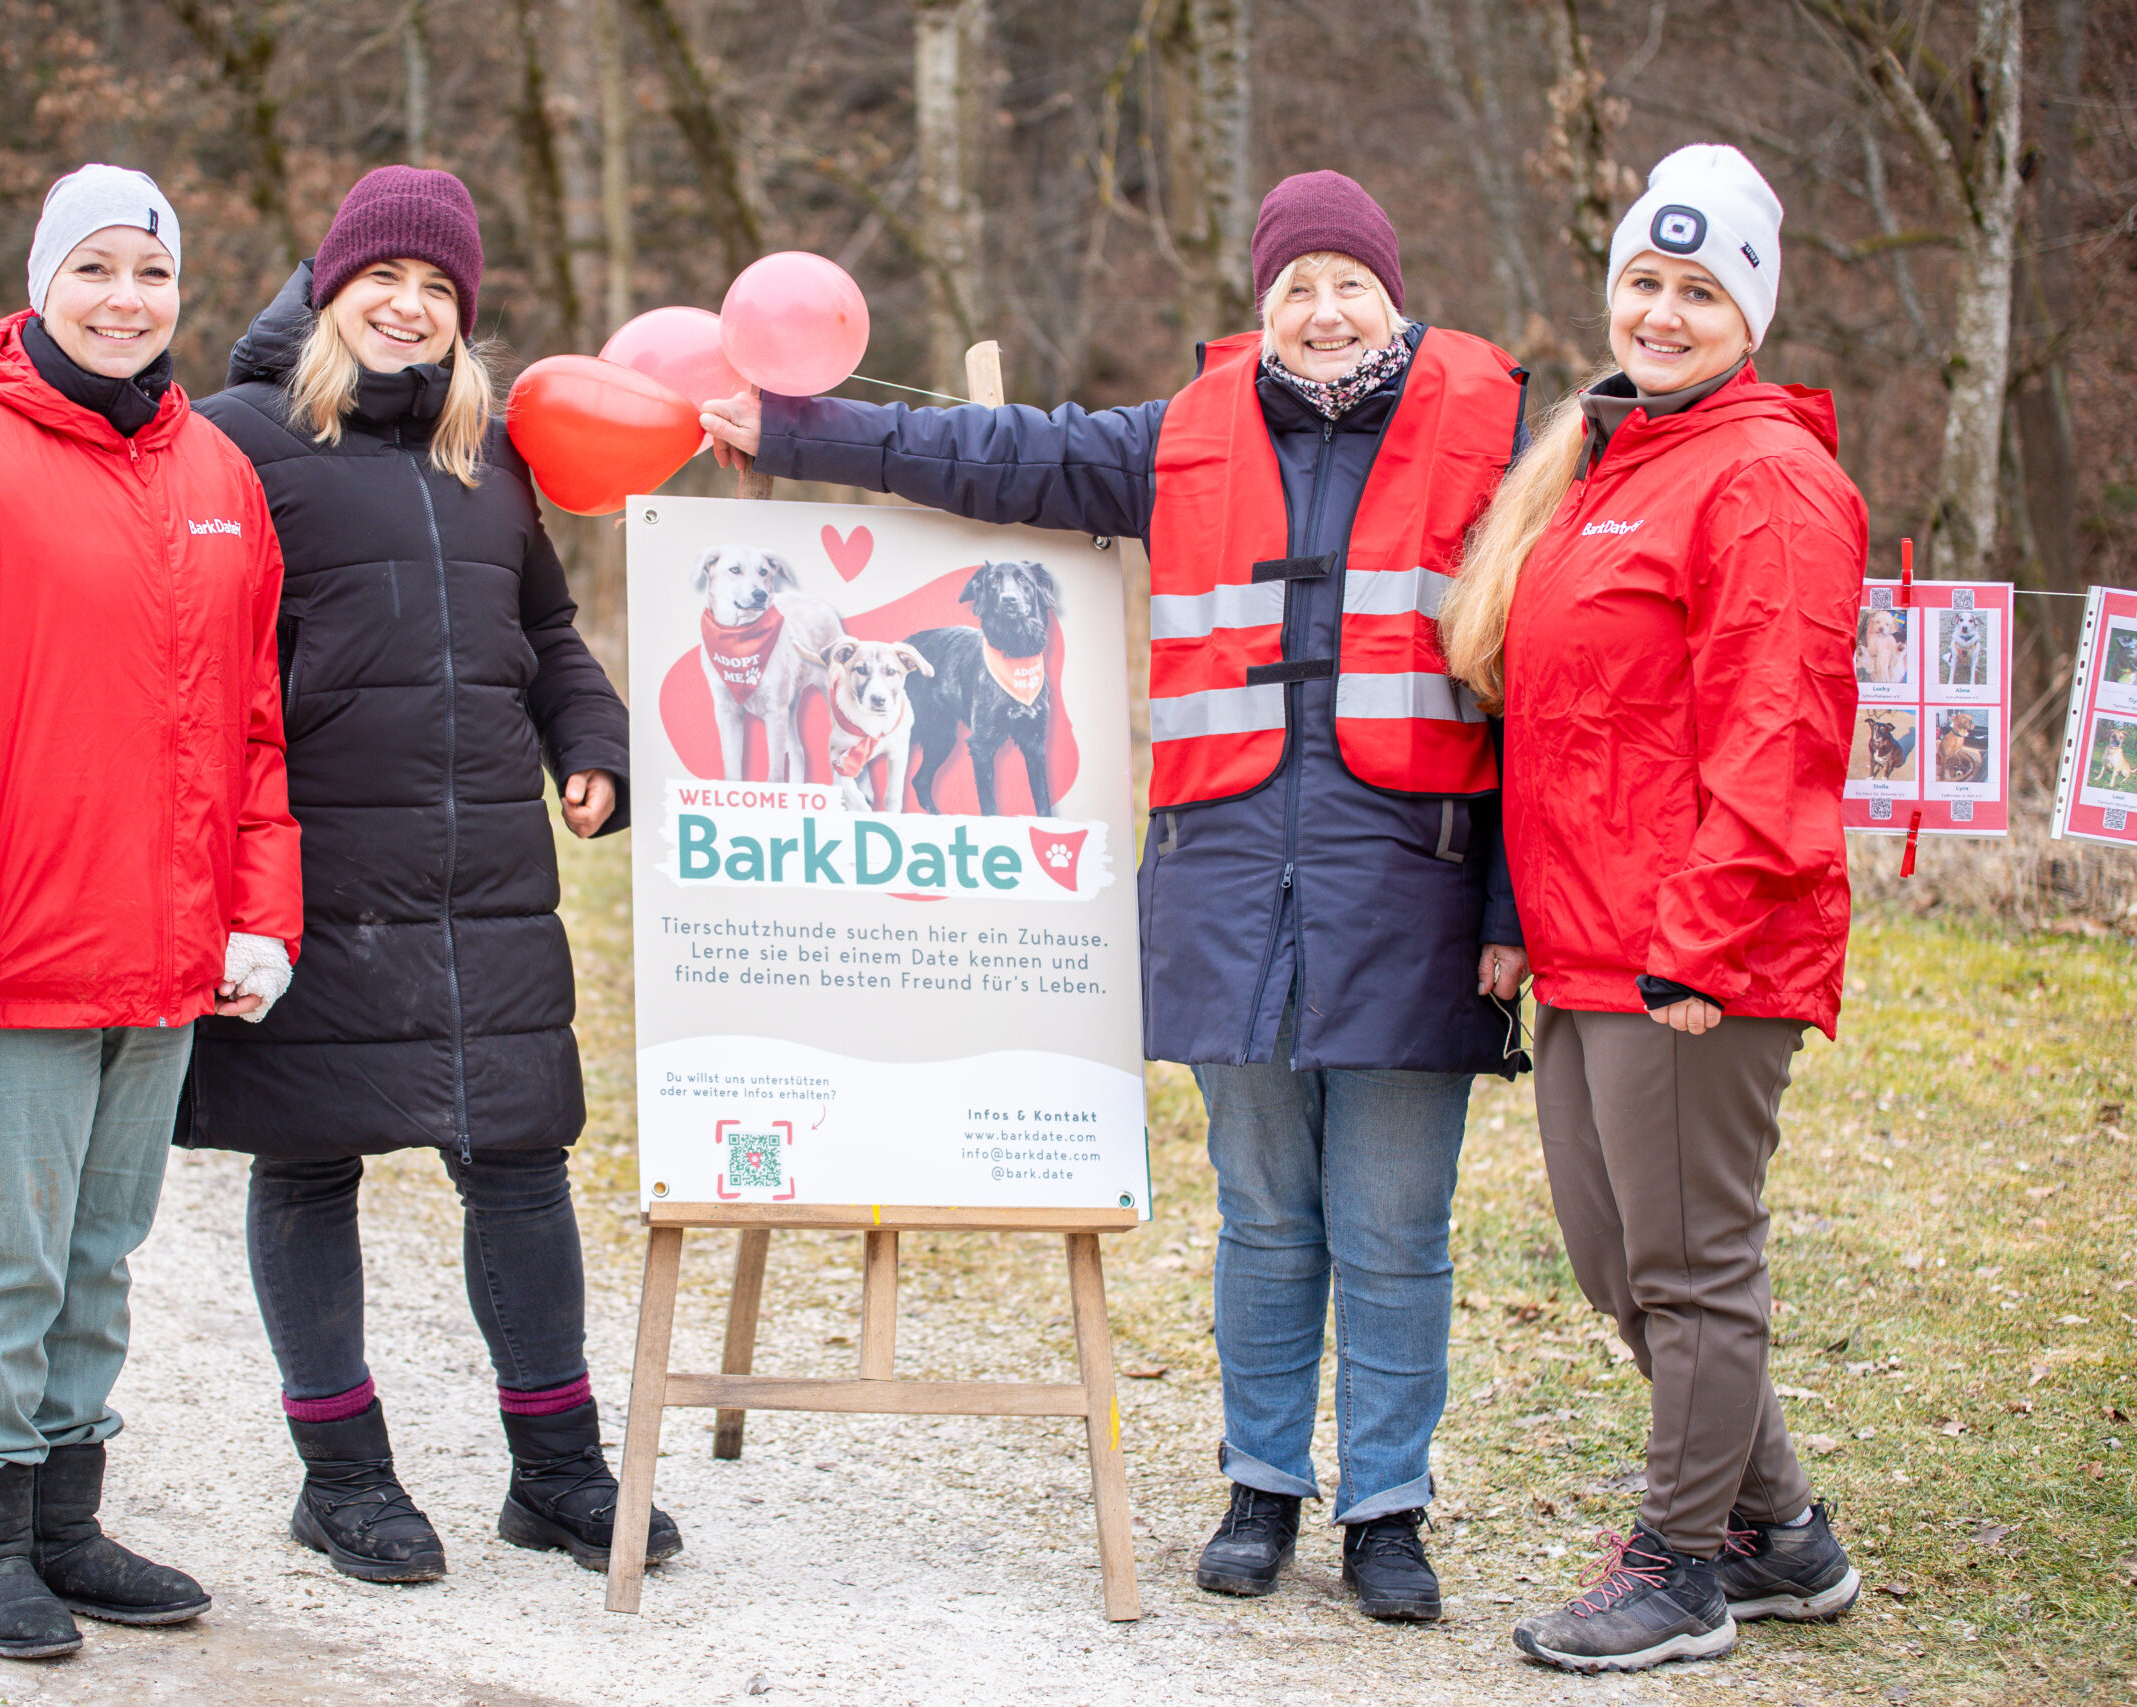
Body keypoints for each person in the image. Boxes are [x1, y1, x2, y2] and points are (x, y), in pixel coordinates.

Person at [705, 170, 1529, 1622]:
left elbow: (1553, 704)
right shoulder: (1178, 441)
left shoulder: (1507, 445)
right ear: (1259, 313)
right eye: (1296, 291)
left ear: (1395, 301)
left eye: (1351, 287)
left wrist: (1517, 912)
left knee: (1395, 1229)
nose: (1325, 314)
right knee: (1267, 1213)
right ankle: (1261, 1485)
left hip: (1417, 894)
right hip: (1229, 897)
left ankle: (1388, 1510)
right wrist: (793, 431)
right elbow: (989, 453)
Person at [0, 164, 301, 1661]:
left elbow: (256, 725)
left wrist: (256, 910)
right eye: (93, 269)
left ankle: (67, 1522)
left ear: (178, 296)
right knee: (11, 1247)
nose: (123, 300)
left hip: (161, 950)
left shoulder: (216, 474)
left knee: (103, 1245)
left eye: (148, 275)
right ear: (42, 282)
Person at [180, 166, 677, 1584]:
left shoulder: (494, 455)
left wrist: (596, 740)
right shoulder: (233, 445)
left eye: (441, 290)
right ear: (330, 292)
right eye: (383, 281)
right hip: (314, 875)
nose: (410, 307)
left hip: (489, 875)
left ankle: (560, 1473)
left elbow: (550, 629)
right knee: (309, 1157)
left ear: (467, 315)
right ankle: (341, 1476)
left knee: (520, 1160)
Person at [1438, 143, 1867, 1674]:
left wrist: (1707, 942)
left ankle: (1685, 1568)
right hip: (1586, 944)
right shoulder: (1614, 464)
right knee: (1623, 1263)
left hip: (1695, 954)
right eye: (1646, 283)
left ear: (1750, 311)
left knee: (1691, 1267)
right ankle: (1784, 1534)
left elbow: (1781, 730)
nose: (1665, 315)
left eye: (1700, 290)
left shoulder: (1767, 481)